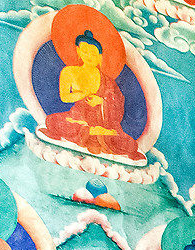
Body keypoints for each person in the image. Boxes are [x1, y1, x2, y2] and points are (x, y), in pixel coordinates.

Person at [38, 24, 139, 160]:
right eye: (85, 51)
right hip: (78, 117)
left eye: (93, 53)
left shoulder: (107, 80)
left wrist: (102, 101)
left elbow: (118, 103)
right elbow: (65, 97)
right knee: (53, 121)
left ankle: (94, 133)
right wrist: (83, 93)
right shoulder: (70, 72)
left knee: (130, 144)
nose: (89, 56)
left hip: (103, 122)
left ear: (99, 56)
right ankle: (92, 132)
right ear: (78, 51)